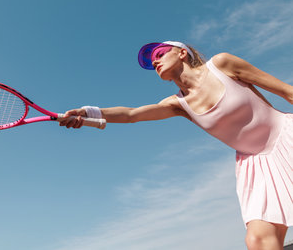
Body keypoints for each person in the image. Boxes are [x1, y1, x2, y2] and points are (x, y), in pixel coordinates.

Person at [59, 41, 293, 250]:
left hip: (286, 134)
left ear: (182, 53)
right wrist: (86, 113)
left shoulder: (222, 64)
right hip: (256, 165)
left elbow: (287, 92)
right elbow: (132, 114)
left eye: (160, 53)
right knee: (258, 242)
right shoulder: (178, 104)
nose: (155, 61)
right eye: (152, 62)